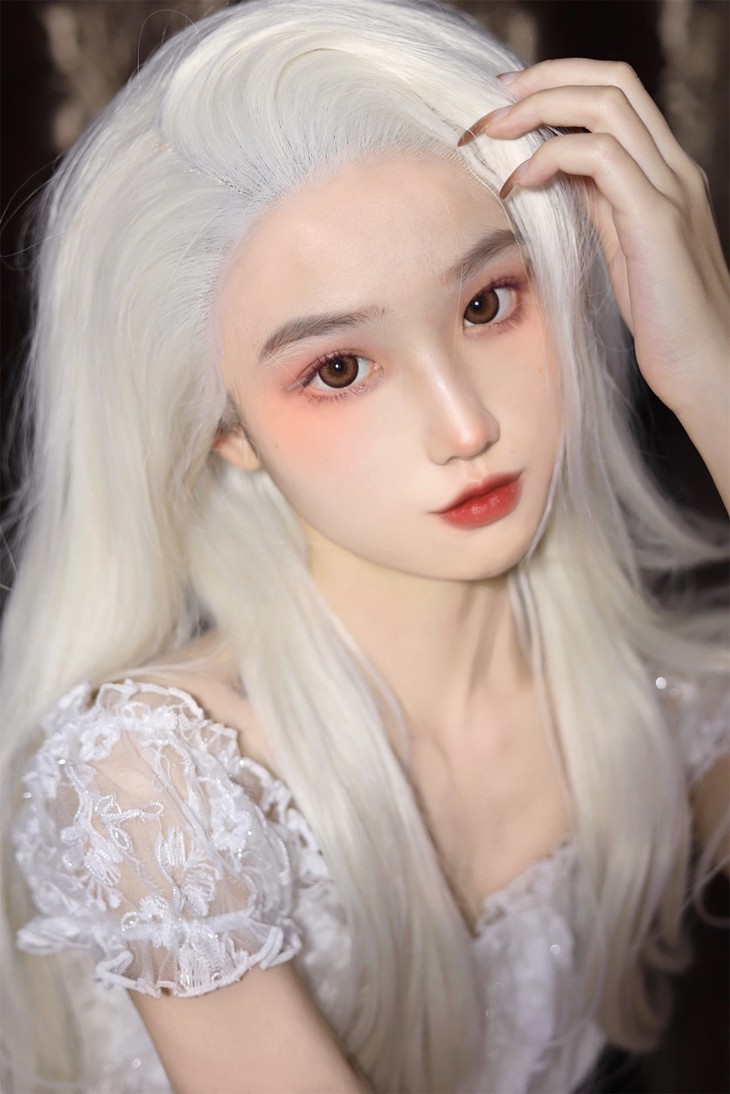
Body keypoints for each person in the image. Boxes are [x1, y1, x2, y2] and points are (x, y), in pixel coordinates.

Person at [1, 0, 728, 1090]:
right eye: (338, 368)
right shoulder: (157, 779)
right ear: (226, 428)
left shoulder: (661, 708)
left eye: (487, 303)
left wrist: (709, 370)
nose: (463, 426)